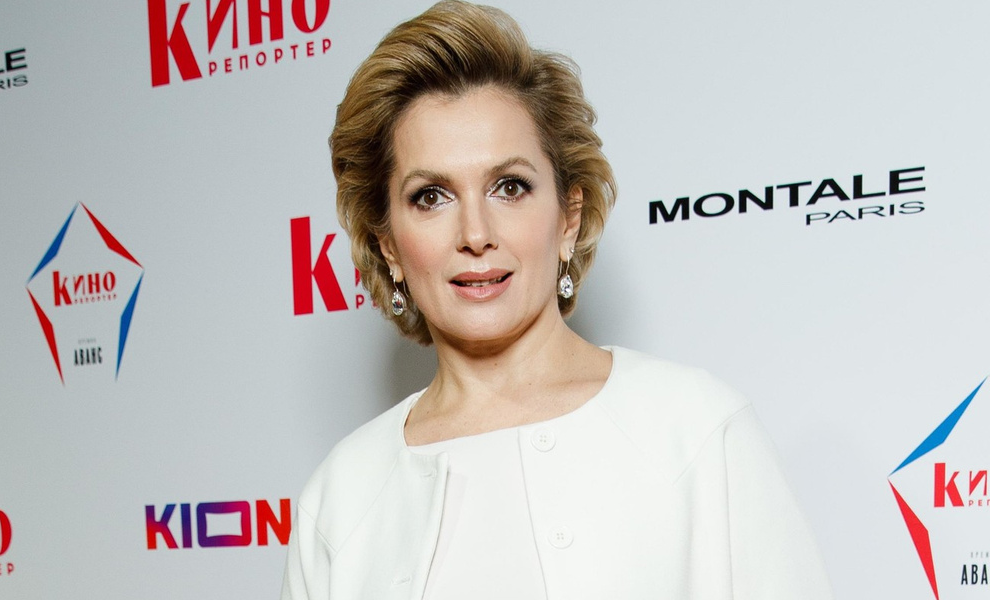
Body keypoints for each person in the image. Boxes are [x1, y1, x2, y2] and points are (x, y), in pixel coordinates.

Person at [281, 2, 833, 599]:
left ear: (569, 217)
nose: (475, 233)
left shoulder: (694, 431)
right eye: (431, 196)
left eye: (509, 187)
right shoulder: (342, 495)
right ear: (388, 245)